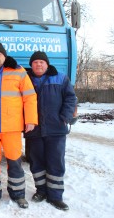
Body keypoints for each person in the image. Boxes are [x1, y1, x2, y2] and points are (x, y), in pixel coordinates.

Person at [0, 42, 38, 209]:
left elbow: (30, 97)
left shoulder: (19, 72)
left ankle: (18, 194)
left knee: (14, 161)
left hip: (11, 127)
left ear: (4, 56)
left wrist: (31, 120)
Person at [24, 51, 77, 211]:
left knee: (55, 162)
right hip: (34, 130)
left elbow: (70, 98)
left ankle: (55, 196)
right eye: (35, 62)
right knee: (36, 162)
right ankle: (41, 191)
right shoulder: (26, 79)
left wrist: (65, 116)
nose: (38, 65)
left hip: (56, 129)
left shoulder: (60, 78)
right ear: (31, 65)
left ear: (47, 64)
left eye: (41, 62)